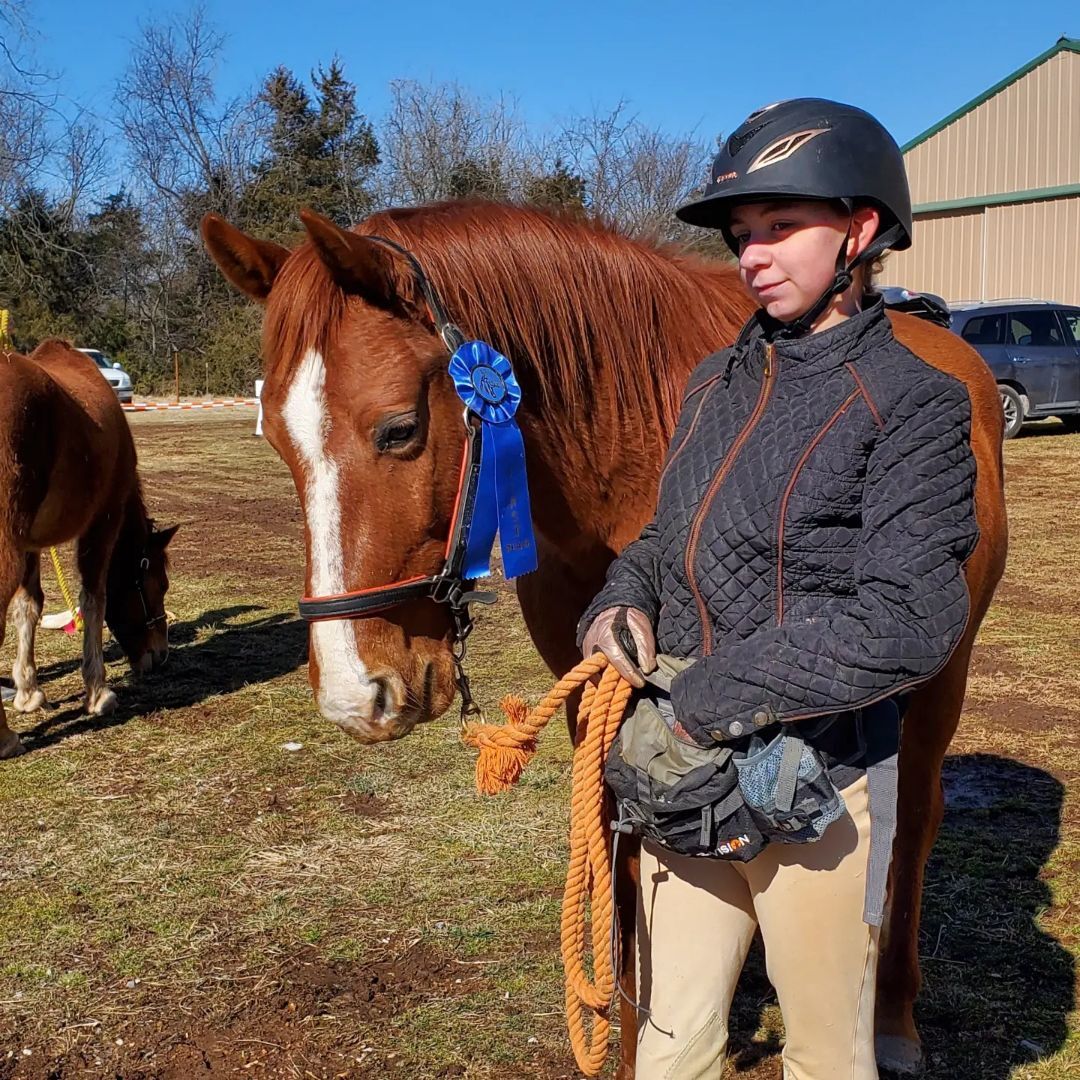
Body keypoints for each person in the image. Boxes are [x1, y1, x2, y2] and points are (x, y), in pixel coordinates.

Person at [578, 98, 980, 1080]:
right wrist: (617, 600)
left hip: (827, 786)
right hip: (692, 779)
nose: (753, 256)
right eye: (742, 236)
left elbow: (910, 617)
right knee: (670, 1051)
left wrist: (699, 701)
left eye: (781, 227)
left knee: (825, 1061)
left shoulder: (915, 403)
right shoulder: (712, 384)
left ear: (861, 229)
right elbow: (666, 536)